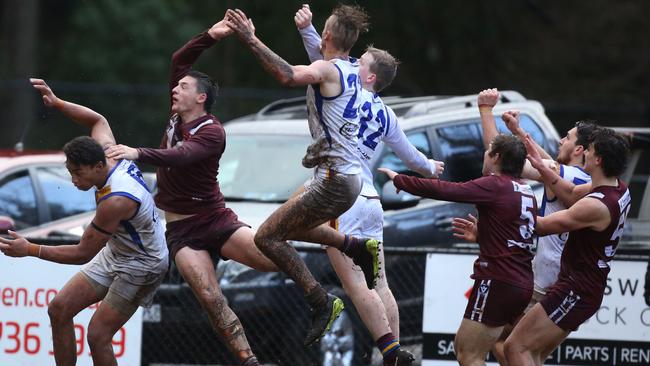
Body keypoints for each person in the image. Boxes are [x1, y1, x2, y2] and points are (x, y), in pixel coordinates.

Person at [105, 14, 275, 366]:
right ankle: (249, 360)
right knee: (209, 296)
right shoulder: (176, 117)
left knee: (271, 261)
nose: (174, 89)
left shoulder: (211, 131)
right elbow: (179, 60)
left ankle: (328, 264)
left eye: (182, 87)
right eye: (176, 86)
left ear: (200, 97)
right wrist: (211, 36)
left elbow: (180, 157)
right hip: (181, 229)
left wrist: (137, 152)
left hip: (214, 218)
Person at [293, 4, 443, 364]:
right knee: (381, 284)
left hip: (341, 196)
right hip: (370, 198)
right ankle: (396, 352)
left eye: (362, 62)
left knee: (356, 285)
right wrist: (430, 167)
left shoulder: (347, 88)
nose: (355, 61)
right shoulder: (385, 111)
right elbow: (411, 155)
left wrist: (306, 30)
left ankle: (389, 352)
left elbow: (324, 59)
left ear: (370, 77)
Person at [225, 5, 383, 346]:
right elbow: (320, 60)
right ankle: (357, 247)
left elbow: (288, 75)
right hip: (346, 177)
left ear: (327, 36)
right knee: (291, 226)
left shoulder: (326, 69)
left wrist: (251, 40)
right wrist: (308, 29)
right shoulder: (352, 68)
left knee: (266, 237)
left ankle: (321, 301)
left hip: (334, 180)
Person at [0, 78, 168, 366]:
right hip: (118, 252)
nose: (74, 180)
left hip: (143, 263)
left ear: (99, 166)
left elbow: (82, 253)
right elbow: (98, 119)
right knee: (59, 309)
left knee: (98, 335)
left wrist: (30, 249)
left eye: (79, 173)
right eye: (70, 172)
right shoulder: (107, 150)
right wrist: (58, 103)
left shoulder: (115, 201)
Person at [379, 133, 537, 366]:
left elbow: (447, 190)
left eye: (488, 150)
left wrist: (401, 180)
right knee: (509, 348)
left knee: (467, 352)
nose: (485, 155)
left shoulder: (495, 185)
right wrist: (483, 236)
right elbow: (515, 239)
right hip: (522, 282)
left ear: (497, 157)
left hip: (498, 281)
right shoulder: (526, 191)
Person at [473, 88, 597, 363]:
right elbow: (545, 163)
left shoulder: (563, 174)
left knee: (502, 343)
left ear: (578, 149)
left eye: (566, 137)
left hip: (545, 282)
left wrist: (485, 110)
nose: (561, 141)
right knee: (530, 353)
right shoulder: (587, 182)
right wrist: (518, 131)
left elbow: (500, 160)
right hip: (570, 284)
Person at [503, 129, 631, 365]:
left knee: (515, 347)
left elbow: (540, 226)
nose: (585, 154)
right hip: (579, 285)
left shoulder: (597, 206)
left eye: (590, 150)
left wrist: (504, 205)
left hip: (577, 289)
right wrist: (541, 167)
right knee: (532, 353)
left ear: (598, 160)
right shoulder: (618, 187)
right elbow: (571, 193)